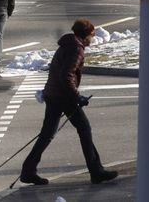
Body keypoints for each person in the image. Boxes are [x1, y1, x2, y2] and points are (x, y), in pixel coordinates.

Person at [20, 19, 119, 186]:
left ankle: (28, 171)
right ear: (85, 35)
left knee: (47, 134)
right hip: (63, 97)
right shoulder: (76, 49)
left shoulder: (67, 45)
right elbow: (67, 75)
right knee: (84, 129)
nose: (92, 39)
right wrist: (76, 97)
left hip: (53, 94)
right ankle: (96, 172)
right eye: (92, 36)